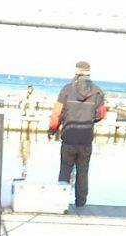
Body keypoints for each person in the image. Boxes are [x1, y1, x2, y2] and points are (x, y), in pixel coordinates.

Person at [48, 61, 106, 207]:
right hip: (86, 139)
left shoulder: (67, 89)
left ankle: (60, 203)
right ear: (89, 72)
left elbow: (57, 114)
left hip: (69, 138)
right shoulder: (98, 91)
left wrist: (52, 130)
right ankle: (80, 203)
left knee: (65, 170)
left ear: (76, 71)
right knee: (83, 172)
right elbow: (102, 114)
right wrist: (91, 119)